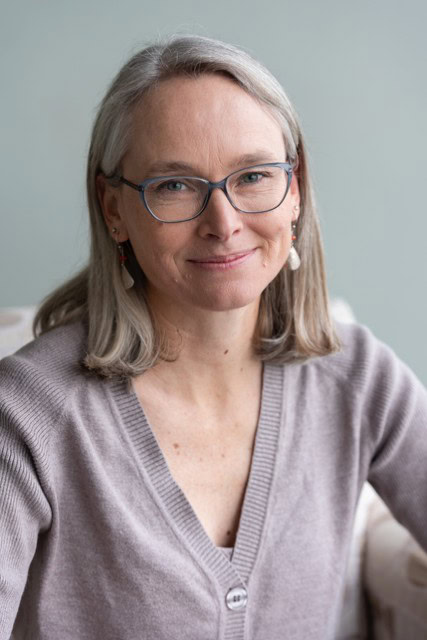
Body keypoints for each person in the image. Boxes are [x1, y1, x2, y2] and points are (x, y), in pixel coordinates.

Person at [0, 34, 426, 640]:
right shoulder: (28, 415)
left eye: (253, 175)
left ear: (295, 189)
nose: (223, 224)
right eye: (175, 185)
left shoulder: (356, 378)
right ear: (114, 208)